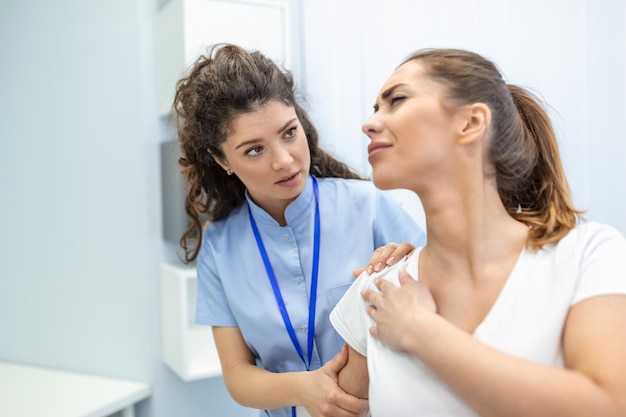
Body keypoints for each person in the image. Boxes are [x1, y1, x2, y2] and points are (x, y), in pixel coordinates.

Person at [330, 48, 626, 416]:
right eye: (375, 108)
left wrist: (421, 332)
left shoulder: (588, 255)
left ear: (470, 123)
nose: (370, 123)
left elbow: (608, 406)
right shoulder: (378, 289)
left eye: (397, 100)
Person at [172, 43, 426, 417]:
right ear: (222, 160)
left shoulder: (370, 205)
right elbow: (238, 376)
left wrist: (410, 265)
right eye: (254, 150)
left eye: (289, 133)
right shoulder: (219, 246)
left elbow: (439, 304)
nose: (284, 160)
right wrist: (304, 389)